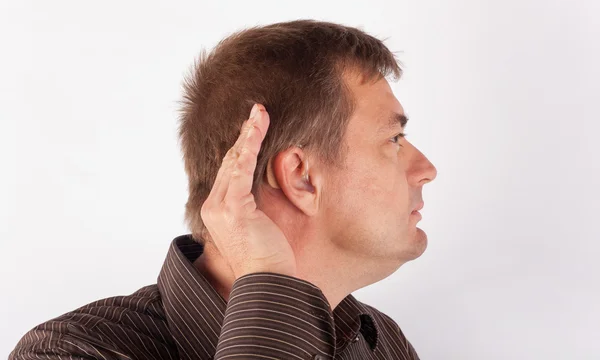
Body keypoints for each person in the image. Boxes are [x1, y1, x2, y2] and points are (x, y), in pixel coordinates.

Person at [9, 19, 437, 360]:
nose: (426, 170)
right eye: (393, 141)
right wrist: (267, 280)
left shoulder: (379, 342)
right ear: (302, 177)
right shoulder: (71, 351)